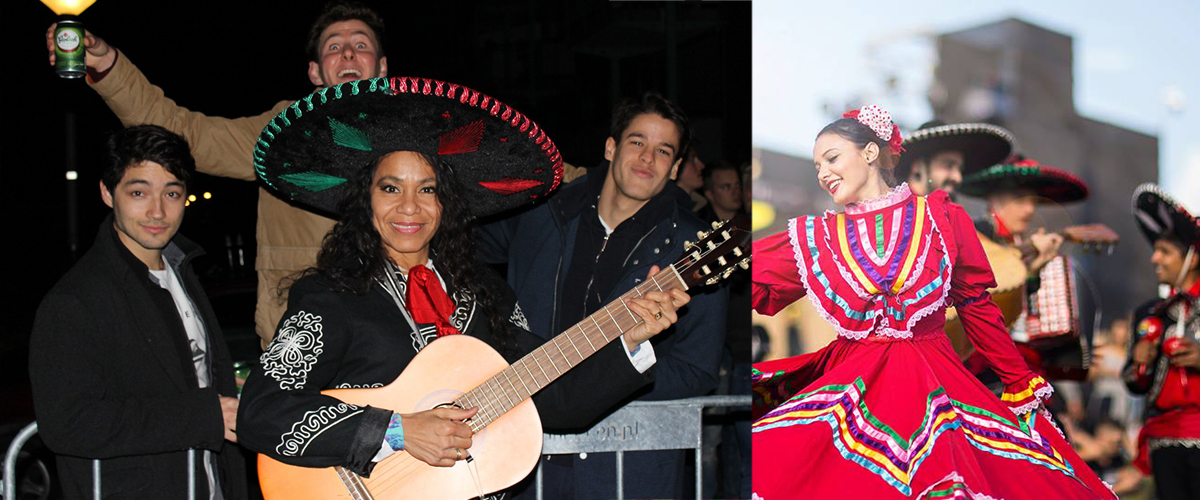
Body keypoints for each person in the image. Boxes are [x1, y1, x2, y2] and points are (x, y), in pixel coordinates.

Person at [236, 76, 689, 499]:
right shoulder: (332, 295)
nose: (409, 208)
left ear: (446, 202)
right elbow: (261, 411)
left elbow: (554, 403)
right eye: (391, 188)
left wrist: (628, 339)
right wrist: (396, 430)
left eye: (427, 189)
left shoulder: (484, 294)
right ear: (365, 199)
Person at [750, 105, 1114, 498]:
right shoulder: (815, 235)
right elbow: (748, 277)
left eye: (832, 158)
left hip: (935, 381)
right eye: (817, 165)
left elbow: (977, 306)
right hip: (852, 385)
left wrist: (1018, 381)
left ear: (870, 153)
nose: (822, 173)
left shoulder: (942, 218)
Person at [480, 92, 727, 500]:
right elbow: (462, 250)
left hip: (624, 468)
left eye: (663, 151)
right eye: (637, 142)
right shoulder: (544, 213)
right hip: (522, 458)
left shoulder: (694, 252)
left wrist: (614, 375)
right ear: (611, 147)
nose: (647, 158)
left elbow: (698, 370)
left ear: (676, 167)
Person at [29, 125, 246, 499]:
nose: (157, 211)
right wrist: (204, 417)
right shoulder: (75, 300)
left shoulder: (182, 272)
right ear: (107, 193)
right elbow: (67, 423)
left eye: (172, 193)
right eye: (139, 192)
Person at [957, 157, 1092, 380]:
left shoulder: (1019, 242)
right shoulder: (976, 233)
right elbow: (988, 302)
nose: (1030, 209)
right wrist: (1031, 271)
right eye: (1020, 199)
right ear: (995, 199)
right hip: (983, 364)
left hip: (1018, 360)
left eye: (1033, 201)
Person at [1123, 183, 1200, 500]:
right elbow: (1134, 384)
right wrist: (1141, 362)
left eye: (1165, 251)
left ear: (1193, 258)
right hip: (1162, 443)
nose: (1154, 258)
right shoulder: (1148, 314)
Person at [895, 120, 1014, 199]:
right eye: (948, 165)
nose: (958, 178)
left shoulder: (954, 224)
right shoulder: (888, 219)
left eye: (960, 169)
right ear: (918, 166)